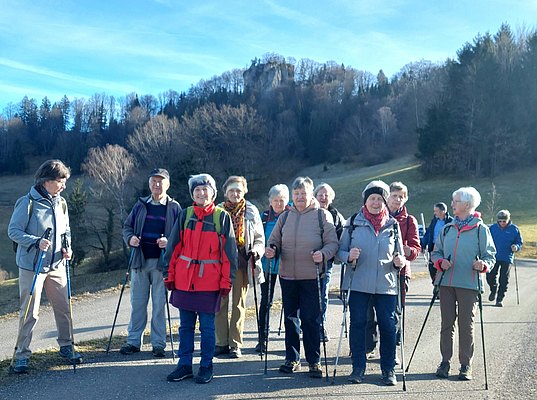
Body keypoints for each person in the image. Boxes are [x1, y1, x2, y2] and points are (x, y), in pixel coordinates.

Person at [8, 159, 81, 373]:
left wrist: (68, 248)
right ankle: (21, 355)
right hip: (32, 266)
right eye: (60, 181)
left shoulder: (61, 203)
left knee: (64, 308)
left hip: (57, 264)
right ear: (46, 181)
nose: (63, 186)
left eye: (65, 181)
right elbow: (14, 231)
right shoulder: (27, 203)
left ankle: (66, 346)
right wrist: (35, 241)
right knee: (30, 312)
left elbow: (66, 231)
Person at [164, 174, 238, 384]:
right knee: (185, 327)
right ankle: (184, 365)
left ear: (212, 193)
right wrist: (169, 274)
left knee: (207, 328)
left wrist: (226, 281)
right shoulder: (185, 215)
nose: (201, 193)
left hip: (209, 283)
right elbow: (173, 248)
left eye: (205, 189)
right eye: (197, 190)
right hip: (184, 281)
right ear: (192, 194)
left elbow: (229, 254)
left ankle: (206, 365)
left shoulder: (221, 217)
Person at [266, 176, 338, 379]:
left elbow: (333, 244)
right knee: (290, 319)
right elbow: (274, 240)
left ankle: (314, 361)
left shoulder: (322, 215)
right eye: (296, 193)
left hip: (312, 276)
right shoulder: (285, 217)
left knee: (310, 319)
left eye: (303, 193)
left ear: (310, 194)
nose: (299, 197)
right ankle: (292, 358)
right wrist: (272, 250)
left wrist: (323, 254)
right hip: (288, 276)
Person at [338, 180, 405, 386]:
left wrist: (400, 262)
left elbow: (399, 254)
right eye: (372, 199)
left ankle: (388, 370)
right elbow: (339, 253)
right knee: (358, 324)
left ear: (385, 202)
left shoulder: (393, 225)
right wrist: (349, 256)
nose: (375, 203)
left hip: (386, 285)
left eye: (379, 199)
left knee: (388, 326)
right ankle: (358, 368)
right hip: (358, 284)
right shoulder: (352, 223)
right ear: (365, 201)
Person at [432, 187, 496, 381]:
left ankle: (465, 364)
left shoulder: (481, 229)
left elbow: (490, 255)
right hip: (446, 283)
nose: (452, 204)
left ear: (467, 205)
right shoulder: (447, 228)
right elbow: (436, 252)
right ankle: (445, 362)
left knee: (466, 325)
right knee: (446, 323)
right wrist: (440, 262)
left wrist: (483, 265)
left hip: (469, 284)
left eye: (456, 201)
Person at [120, 168, 181, 357]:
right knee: (138, 304)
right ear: (149, 184)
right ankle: (133, 342)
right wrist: (130, 239)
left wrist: (168, 241)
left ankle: (158, 344)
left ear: (167, 184)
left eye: (161, 181)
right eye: (154, 181)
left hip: (162, 264)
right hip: (140, 261)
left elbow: (181, 234)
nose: (157, 184)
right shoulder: (140, 205)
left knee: (159, 305)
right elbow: (127, 227)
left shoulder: (174, 207)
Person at [365, 181, 421, 360]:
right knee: (369, 312)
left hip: (399, 274)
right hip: (373, 271)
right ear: (387, 197)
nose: (397, 200)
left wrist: (407, 251)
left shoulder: (409, 221)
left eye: (401, 197)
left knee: (393, 314)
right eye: (394, 196)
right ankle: (368, 346)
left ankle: (392, 350)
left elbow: (416, 249)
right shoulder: (376, 215)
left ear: (406, 199)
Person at [215, 176, 265, 358]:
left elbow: (259, 238)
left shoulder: (251, 211)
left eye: (238, 190)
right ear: (225, 192)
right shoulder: (218, 211)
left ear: (244, 191)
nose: (235, 194)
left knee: (238, 304)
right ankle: (221, 342)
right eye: (231, 190)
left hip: (242, 262)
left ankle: (235, 344)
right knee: (220, 303)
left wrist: (257, 251)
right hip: (220, 263)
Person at [256, 184, 290, 353]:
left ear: (287, 200)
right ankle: (262, 339)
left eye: (282, 200)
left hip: (287, 265)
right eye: (275, 200)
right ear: (270, 201)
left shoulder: (292, 216)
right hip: (267, 264)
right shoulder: (263, 217)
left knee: (290, 302)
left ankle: (291, 341)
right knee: (266, 301)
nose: (278, 203)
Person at [313, 182, 345, 342]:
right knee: (307, 294)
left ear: (331, 198)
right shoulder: (309, 212)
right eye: (320, 194)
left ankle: (320, 326)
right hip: (307, 261)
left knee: (323, 294)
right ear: (315, 196)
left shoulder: (336, 216)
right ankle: (306, 325)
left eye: (326, 195)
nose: (323, 197)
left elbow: (341, 238)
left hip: (327, 262)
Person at [486, 209, 523, 307]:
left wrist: (516, 247)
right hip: (493, 256)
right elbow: (486, 240)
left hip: (507, 257)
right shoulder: (492, 228)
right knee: (490, 276)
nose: (502, 223)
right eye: (500, 221)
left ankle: (499, 299)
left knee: (504, 279)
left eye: (504, 221)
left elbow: (519, 242)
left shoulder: (514, 229)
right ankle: (493, 289)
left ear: (508, 220)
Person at [421, 202, 453, 285]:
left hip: (445, 249)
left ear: (443, 211)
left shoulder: (451, 222)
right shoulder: (434, 221)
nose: (434, 213)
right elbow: (428, 234)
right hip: (433, 247)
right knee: (432, 268)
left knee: (443, 268)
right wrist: (423, 245)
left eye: (436, 211)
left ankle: (442, 286)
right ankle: (435, 284)